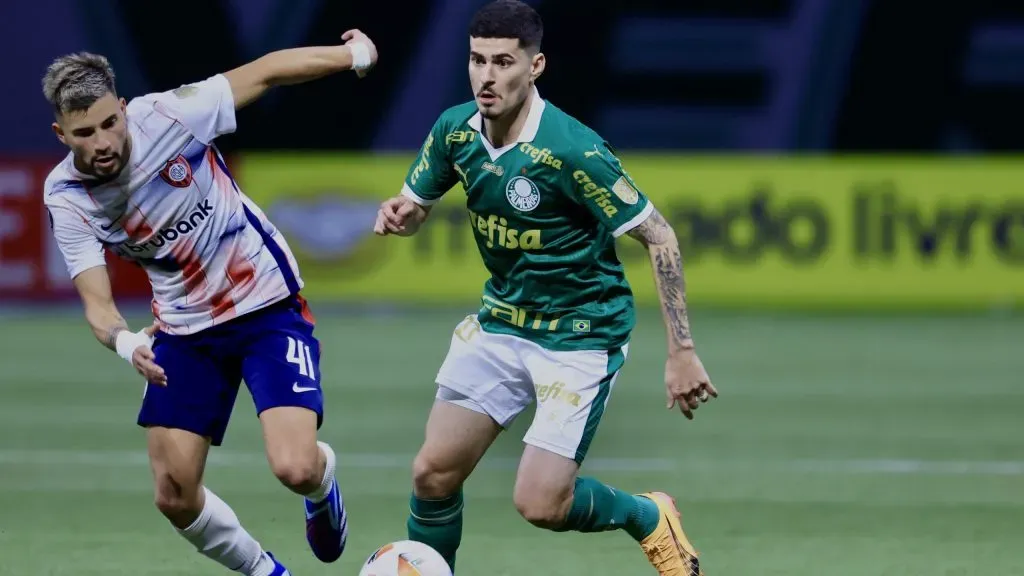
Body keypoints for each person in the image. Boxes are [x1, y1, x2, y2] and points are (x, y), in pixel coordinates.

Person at [373, 1, 717, 575]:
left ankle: (646, 516)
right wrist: (404, 214)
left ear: (535, 66)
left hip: (579, 335)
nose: (487, 76)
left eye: (503, 61)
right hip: (501, 323)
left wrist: (681, 352)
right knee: (431, 474)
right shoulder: (454, 130)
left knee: (540, 503)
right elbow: (417, 203)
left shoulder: (572, 150)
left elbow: (660, 238)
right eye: (477, 60)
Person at [42, 30, 378, 576]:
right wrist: (126, 344)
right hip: (184, 329)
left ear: (124, 109)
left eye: (110, 122)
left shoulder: (171, 116)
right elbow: (98, 305)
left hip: (265, 305)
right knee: (174, 494)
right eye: (85, 133)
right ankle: (266, 572)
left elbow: (266, 71)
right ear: (62, 134)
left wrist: (354, 56)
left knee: (293, 467)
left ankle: (322, 484)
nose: (103, 141)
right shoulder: (67, 196)